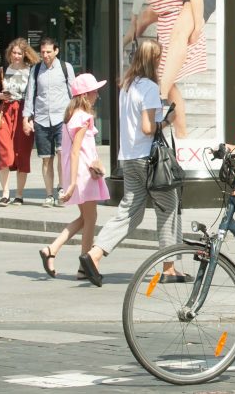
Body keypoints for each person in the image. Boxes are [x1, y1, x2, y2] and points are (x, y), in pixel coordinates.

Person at [80, 40, 184, 288]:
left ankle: (94, 255)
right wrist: (168, 120)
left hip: (128, 157)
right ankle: (169, 268)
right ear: (153, 60)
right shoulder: (148, 88)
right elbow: (148, 128)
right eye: (159, 59)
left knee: (130, 211)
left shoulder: (126, 86)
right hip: (148, 158)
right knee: (169, 207)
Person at [38, 74, 110, 279]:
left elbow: (69, 152)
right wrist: (71, 185)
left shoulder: (71, 116)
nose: (97, 94)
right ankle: (84, 265)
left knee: (85, 218)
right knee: (91, 218)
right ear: (85, 95)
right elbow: (76, 151)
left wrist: (70, 182)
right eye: (95, 91)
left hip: (78, 172)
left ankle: (52, 250)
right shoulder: (83, 118)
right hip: (84, 174)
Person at [145, 0, 208, 138]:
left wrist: (198, 25)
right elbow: (151, 11)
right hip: (173, 15)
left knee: (165, 78)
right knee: (167, 80)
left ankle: (160, 101)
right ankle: (181, 133)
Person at [23, 37, 76, 208]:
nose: (45, 55)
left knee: (62, 155)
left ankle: (61, 189)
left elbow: (74, 93)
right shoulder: (36, 69)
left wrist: (75, 114)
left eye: (48, 52)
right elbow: (30, 94)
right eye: (42, 52)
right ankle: (48, 194)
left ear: (56, 51)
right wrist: (26, 117)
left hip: (62, 118)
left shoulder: (65, 68)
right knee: (46, 159)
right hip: (41, 119)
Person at [0, 38, 39, 207]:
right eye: (13, 53)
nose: (16, 56)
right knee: (4, 152)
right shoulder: (3, 69)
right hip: (6, 112)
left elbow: (34, 95)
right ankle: (5, 193)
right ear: (9, 53)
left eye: (19, 53)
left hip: (23, 112)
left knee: (22, 153)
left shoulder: (31, 71)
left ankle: (19, 194)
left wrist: (29, 117)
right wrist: (0, 95)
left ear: (25, 54)